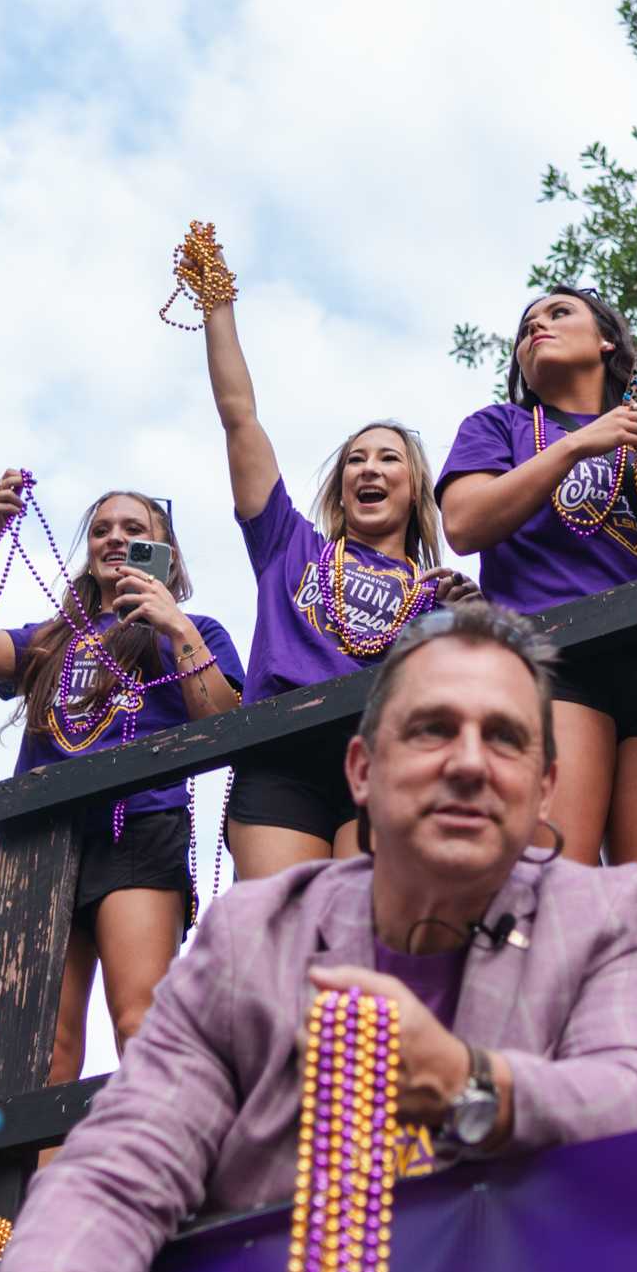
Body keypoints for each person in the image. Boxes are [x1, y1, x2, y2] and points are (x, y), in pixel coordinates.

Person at [0, 603, 637, 1272]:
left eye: (506, 738)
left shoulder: (614, 915)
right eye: (432, 729)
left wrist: (467, 1083)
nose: (468, 763)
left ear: (544, 786)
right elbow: (122, 1161)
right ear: (362, 770)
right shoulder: (255, 936)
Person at [437, 287, 637, 901]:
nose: (536, 328)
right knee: (554, 885)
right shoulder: (499, 426)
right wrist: (580, 442)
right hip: (554, 661)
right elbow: (466, 524)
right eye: (526, 327)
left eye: (557, 313)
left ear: (607, 341)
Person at [0, 481, 244, 1077]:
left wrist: (173, 625)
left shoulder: (195, 629)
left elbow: (223, 721)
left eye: (134, 530)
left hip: (139, 827)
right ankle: (50, 1174)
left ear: (166, 552)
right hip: (43, 840)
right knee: (41, 1044)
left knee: (139, 1021)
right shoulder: (52, 636)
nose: (115, 538)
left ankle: (155, 1161)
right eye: (102, 529)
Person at [198, 266, 474, 878]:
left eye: (388, 459)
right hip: (281, 762)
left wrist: (470, 617)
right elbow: (240, 417)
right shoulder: (287, 544)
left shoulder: (437, 596)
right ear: (342, 484)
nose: (369, 469)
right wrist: (218, 309)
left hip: (383, 763)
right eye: (356, 459)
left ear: (415, 488)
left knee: (358, 946)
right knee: (281, 945)